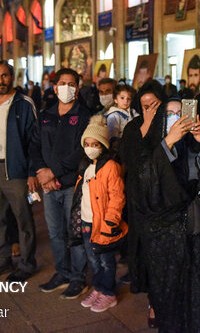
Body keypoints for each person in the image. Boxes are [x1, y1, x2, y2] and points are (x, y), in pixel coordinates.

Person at [119, 80, 200, 332]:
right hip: (166, 247)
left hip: (199, 245)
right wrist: (168, 143)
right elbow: (146, 188)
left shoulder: (197, 148)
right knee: (171, 303)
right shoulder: (150, 151)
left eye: (179, 113)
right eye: (170, 114)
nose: (175, 119)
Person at [32, 68, 91, 299]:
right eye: (62, 83)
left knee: (74, 233)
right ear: (54, 87)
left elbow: (80, 151)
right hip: (48, 186)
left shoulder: (84, 116)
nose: (66, 87)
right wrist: (40, 173)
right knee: (55, 233)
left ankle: (78, 278)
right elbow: (34, 146)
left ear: (77, 88)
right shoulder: (45, 114)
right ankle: (62, 273)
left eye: (71, 83)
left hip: (70, 186)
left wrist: (53, 173)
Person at [0, 61, 39, 282]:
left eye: (4, 76)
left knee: (23, 220)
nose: (0, 81)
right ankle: (2, 262)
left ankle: (27, 264)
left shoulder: (24, 103)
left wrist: (33, 172)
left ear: (11, 77)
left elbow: (34, 141)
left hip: (16, 170)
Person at [69, 115, 128, 312]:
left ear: (103, 145)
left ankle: (109, 293)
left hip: (103, 223)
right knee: (93, 259)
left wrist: (111, 221)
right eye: (87, 144)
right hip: (86, 221)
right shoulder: (85, 166)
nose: (90, 147)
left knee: (106, 260)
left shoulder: (110, 167)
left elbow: (117, 196)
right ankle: (99, 288)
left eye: (95, 143)